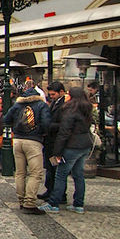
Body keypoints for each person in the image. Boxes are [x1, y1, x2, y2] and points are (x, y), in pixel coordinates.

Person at [38, 86, 95, 215]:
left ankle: (53, 203)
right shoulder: (86, 108)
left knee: (61, 174)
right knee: (78, 175)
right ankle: (78, 204)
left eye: (69, 94)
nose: (67, 96)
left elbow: (64, 132)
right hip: (84, 145)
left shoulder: (70, 110)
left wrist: (57, 151)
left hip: (72, 146)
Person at [3, 86, 52, 214]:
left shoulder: (17, 105)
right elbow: (47, 123)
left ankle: (21, 199)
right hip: (33, 141)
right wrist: (41, 131)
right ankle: (29, 203)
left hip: (17, 141)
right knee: (35, 173)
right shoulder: (41, 105)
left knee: (20, 173)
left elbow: (6, 119)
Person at [39, 82, 66, 201]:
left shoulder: (64, 105)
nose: (51, 97)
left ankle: (59, 194)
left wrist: (49, 126)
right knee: (50, 167)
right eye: (50, 94)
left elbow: (64, 124)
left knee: (56, 168)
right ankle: (49, 190)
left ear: (61, 92)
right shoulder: (55, 102)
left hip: (56, 141)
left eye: (53, 94)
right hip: (50, 141)